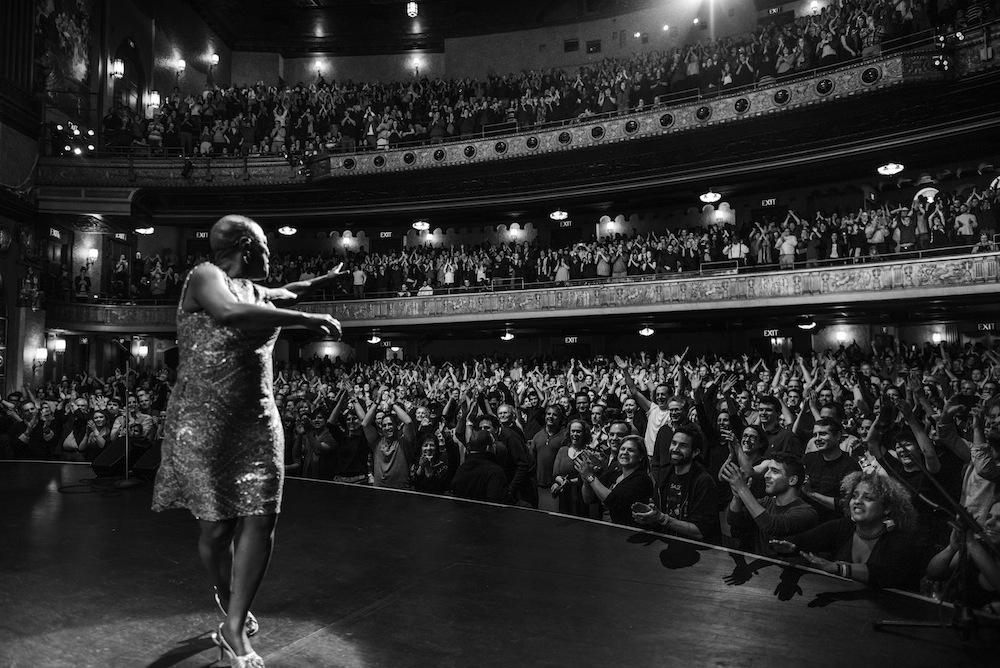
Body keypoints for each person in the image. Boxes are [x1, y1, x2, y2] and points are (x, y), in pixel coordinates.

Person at [150, 214, 343, 668]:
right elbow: (228, 312)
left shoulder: (257, 292)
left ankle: (233, 628)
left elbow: (289, 289)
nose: (271, 254)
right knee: (218, 530)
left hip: (257, 420)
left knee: (261, 520)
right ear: (245, 246)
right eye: (266, 245)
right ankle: (227, 594)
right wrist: (304, 318)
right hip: (204, 420)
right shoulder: (205, 276)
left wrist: (319, 283)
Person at [772, 471, 921, 590]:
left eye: (868, 498)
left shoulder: (899, 540)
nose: (857, 501)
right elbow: (803, 540)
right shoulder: (842, 527)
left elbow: (886, 574)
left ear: (887, 508)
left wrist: (839, 568)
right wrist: (790, 546)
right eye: (854, 496)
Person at [577, 434, 654, 527]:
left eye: (631, 450)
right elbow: (589, 499)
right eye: (622, 449)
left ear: (641, 456)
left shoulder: (641, 480)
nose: (625, 452)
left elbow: (613, 501)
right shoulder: (613, 475)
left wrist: (590, 476)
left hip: (627, 530)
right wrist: (586, 481)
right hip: (606, 528)